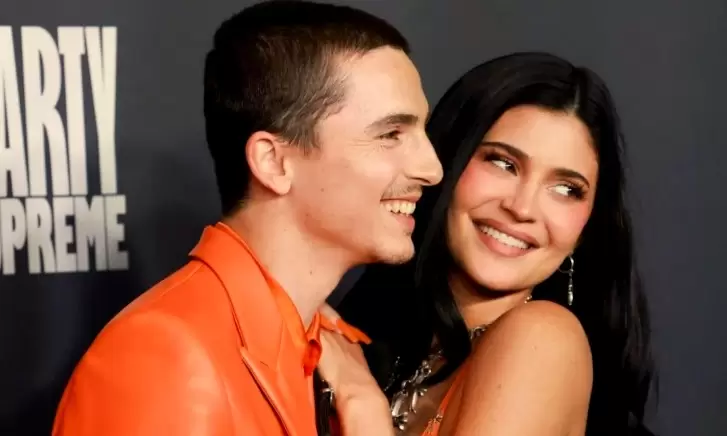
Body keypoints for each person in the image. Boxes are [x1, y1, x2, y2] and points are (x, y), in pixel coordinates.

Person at [51, 1, 442, 435]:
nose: (432, 169)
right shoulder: (167, 355)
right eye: (391, 134)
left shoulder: (330, 347)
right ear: (274, 162)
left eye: (421, 131)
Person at [318, 52, 657, 436]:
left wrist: (359, 400)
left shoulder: (543, 338)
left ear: (586, 228)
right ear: (445, 162)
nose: (521, 208)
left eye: (566, 189)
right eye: (503, 163)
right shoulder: (382, 344)